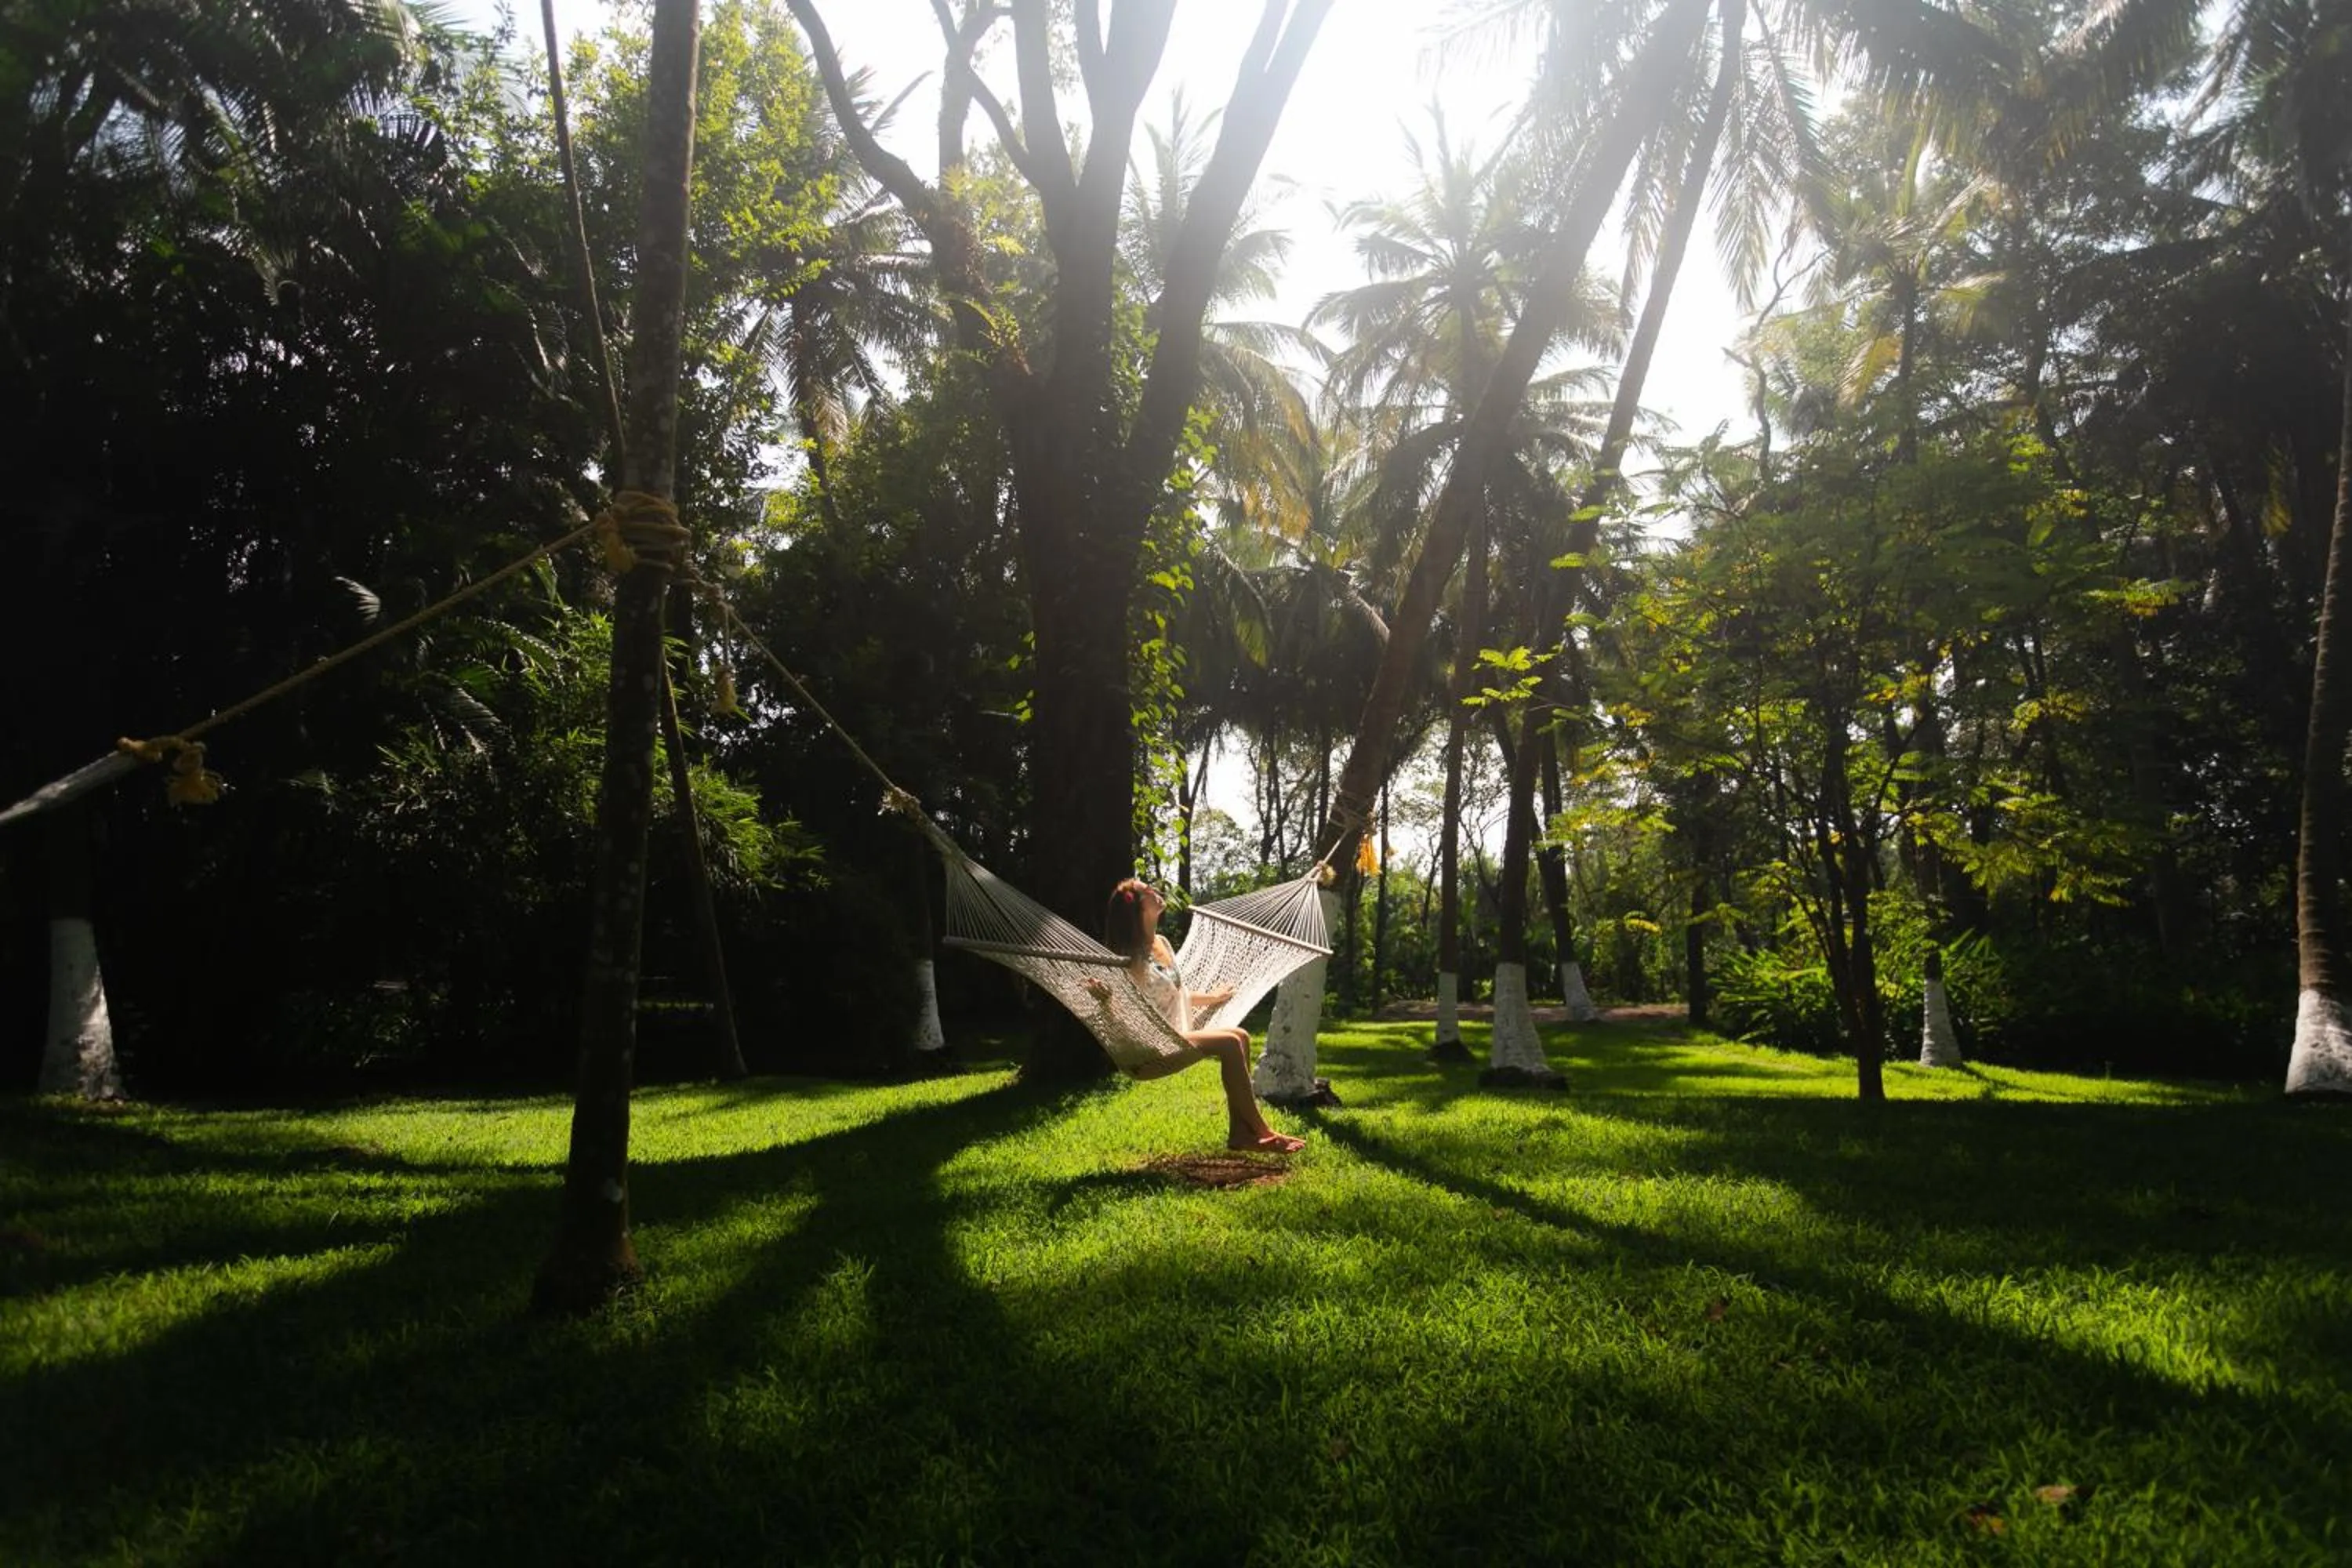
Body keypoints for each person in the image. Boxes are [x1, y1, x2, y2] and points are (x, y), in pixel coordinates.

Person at [1102, 877, 1305, 1153]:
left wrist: (1213, 998)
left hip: (1177, 1037)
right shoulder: (1130, 959)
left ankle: (1239, 1135)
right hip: (1154, 1048)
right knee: (1230, 1044)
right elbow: (1123, 1008)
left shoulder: (1161, 942)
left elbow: (1176, 993)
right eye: (1146, 890)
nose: (1154, 890)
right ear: (1137, 907)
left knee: (1241, 1036)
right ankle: (1261, 1129)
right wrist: (1103, 1000)